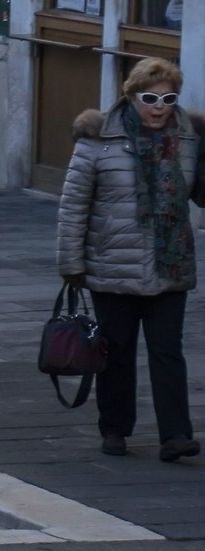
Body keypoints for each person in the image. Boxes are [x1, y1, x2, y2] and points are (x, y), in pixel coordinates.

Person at [58, 58, 201, 462]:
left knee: (167, 351)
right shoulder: (97, 140)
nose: (159, 107)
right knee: (116, 351)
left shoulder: (189, 140)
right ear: (131, 96)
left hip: (170, 266)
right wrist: (72, 264)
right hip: (112, 265)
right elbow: (73, 207)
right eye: (150, 98)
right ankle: (115, 429)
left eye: (169, 98)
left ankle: (176, 436)